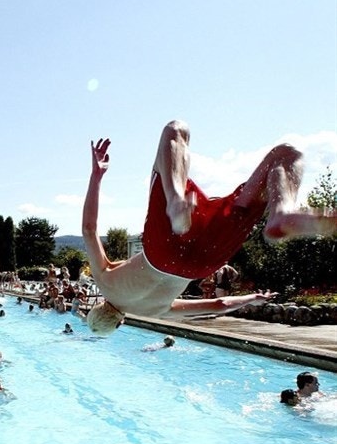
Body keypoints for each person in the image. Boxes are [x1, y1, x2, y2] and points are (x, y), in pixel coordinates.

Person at [82, 122, 336, 334]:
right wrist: (96, 176)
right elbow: (89, 229)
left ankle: (278, 215)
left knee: (280, 158)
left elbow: (218, 304)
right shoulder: (105, 282)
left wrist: (252, 298)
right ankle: (177, 197)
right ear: (99, 306)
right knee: (175, 131)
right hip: (160, 250)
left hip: (203, 264)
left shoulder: (156, 312)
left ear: (119, 322)